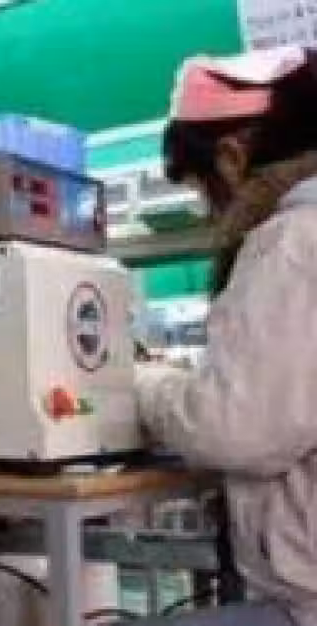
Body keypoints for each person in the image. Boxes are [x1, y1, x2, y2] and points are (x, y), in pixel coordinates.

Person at [134, 46, 317, 626]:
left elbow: (235, 429)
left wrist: (142, 383)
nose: (210, 211)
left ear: (233, 157)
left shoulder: (291, 243)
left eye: (201, 190)